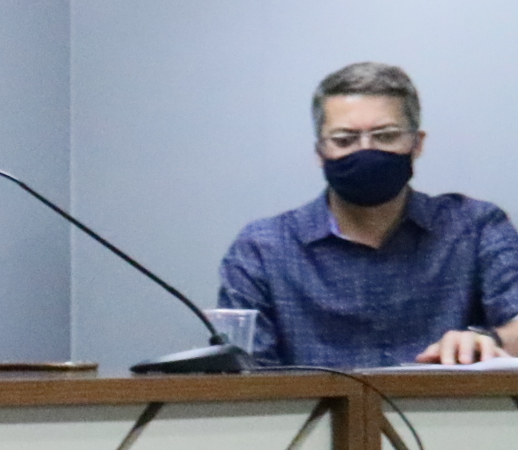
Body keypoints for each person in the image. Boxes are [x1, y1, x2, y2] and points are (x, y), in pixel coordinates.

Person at [219, 61, 518, 368]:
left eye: (386, 136)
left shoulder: (476, 227)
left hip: (453, 402)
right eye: (344, 140)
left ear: (417, 144)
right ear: (320, 152)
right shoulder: (262, 249)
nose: (366, 150)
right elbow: (244, 375)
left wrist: (489, 340)